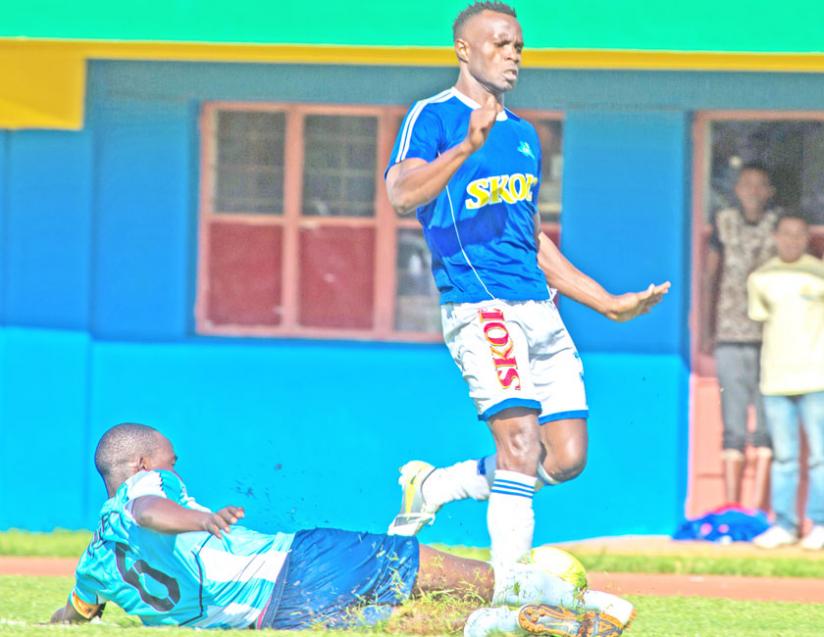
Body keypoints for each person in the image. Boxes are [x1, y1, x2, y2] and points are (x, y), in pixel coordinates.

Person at [383, 0, 669, 574]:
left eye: (518, 45)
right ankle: (512, 595)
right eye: (499, 43)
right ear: (464, 49)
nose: (512, 55)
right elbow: (400, 193)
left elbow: (531, 239)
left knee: (565, 459)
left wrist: (607, 303)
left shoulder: (522, 135)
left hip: (539, 309)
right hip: (480, 307)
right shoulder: (434, 116)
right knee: (517, 448)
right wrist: (464, 148)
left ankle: (437, 485)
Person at [51, 423, 636, 636]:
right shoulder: (144, 488)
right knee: (450, 572)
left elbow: (74, 613)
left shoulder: (95, 566)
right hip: (300, 563)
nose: (178, 468)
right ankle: (576, 600)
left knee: (413, 622)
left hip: (276, 617)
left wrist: (59, 618)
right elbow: (150, 510)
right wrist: (200, 518)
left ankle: (515, 629)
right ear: (143, 464)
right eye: (172, 460)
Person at [700, 162, 779, 510]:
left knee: (764, 427)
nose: (753, 191)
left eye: (760, 184)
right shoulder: (724, 222)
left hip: (774, 339)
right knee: (733, 425)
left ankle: (760, 510)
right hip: (730, 334)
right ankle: (734, 510)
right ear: (736, 189)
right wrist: (705, 328)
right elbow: (710, 278)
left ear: (770, 191)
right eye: (746, 184)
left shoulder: (777, 226)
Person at [747, 214, 824, 550]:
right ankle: (785, 525)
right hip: (775, 379)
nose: (792, 240)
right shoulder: (761, 278)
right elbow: (759, 318)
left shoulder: (818, 274)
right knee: (785, 457)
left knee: (820, 456)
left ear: (808, 238)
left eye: (799, 235)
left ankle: (819, 524)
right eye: (786, 234)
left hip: (816, 376)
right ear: (775, 236)